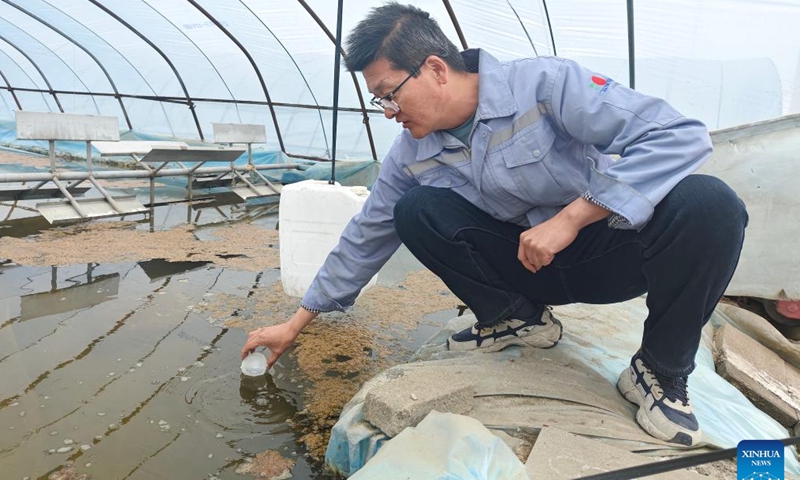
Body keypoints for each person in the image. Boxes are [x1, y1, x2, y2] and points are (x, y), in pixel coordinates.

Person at [242, 2, 748, 447]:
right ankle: (517, 317)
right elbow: (365, 235)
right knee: (413, 210)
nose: (388, 111)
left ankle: (658, 371)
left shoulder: (545, 85)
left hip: (608, 252)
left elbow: (679, 136)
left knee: (710, 203)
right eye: (379, 101)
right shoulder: (410, 154)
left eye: (389, 94)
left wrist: (574, 216)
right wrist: (296, 323)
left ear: (435, 68)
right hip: (526, 266)